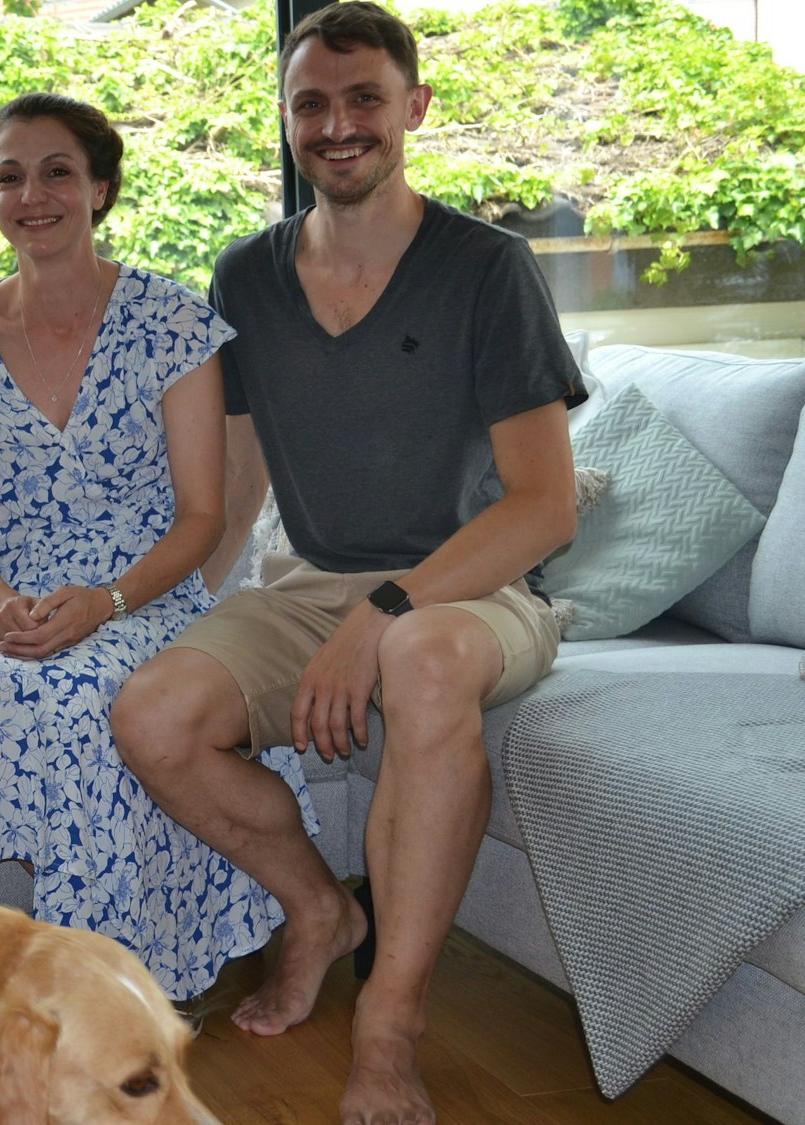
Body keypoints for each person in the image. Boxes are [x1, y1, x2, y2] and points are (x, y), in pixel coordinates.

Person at [109, 5, 584, 1122]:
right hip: (312, 583)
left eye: (361, 98)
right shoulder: (247, 276)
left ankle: (388, 1026)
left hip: (474, 589)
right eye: (309, 104)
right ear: (283, 123)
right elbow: (230, 490)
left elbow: (544, 505)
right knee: (151, 716)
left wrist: (382, 612)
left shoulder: (486, 268)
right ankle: (319, 911)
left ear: (410, 108)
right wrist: (150, 612)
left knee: (417, 657)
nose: (335, 125)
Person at [0, 92, 317, 1001]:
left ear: (101, 188)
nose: (33, 194)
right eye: (8, 176)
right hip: (3, 599)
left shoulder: (171, 324)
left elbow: (201, 517)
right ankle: (98, 965)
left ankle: (109, 986)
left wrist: (109, 602)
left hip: (148, 591)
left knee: (95, 691)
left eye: (58, 171)